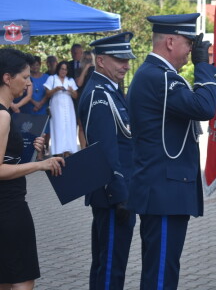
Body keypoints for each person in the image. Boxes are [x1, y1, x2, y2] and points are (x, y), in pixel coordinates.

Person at [126, 13, 216, 290]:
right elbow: (204, 108)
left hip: (163, 188)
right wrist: (203, 67)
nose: (192, 50)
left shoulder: (156, 75)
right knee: (161, 274)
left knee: (163, 269)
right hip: (163, 191)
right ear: (170, 41)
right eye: (189, 43)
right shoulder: (160, 77)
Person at [0, 48, 64, 290]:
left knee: (6, 279)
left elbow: (9, 158)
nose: (29, 84)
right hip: (9, 208)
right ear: (7, 78)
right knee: (23, 281)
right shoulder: (3, 116)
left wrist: (32, 151)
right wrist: (41, 164)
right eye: (25, 78)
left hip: (6, 207)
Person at [78, 32, 137, 290]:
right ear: (100, 60)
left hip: (119, 193)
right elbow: (104, 150)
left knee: (109, 263)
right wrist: (120, 195)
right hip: (114, 196)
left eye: (127, 59)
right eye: (119, 59)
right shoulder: (99, 94)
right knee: (111, 267)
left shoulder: (110, 90)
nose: (126, 65)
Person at [44, 61, 78, 157]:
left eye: (65, 69)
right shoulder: (52, 78)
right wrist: (56, 89)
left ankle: (67, 152)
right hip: (57, 107)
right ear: (58, 69)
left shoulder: (70, 80)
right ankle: (58, 152)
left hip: (68, 106)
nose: (63, 71)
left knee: (68, 128)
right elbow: (47, 94)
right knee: (58, 128)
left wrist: (71, 90)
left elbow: (76, 96)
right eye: (62, 69)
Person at [29, 56, 51, 160]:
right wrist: (35, 103)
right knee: (33, 131)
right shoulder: (27, 77)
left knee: (43, 132)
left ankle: (42, 152)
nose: (34, 67)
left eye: (37, 65)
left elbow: (48, 93)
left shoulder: (46, 77)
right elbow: (25, 93)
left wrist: (40, 104)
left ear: (40, 65)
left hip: (42, 107)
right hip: (30, 107)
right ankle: (34, 154)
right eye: (32, 65)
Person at [75, 50, 95, 149]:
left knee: (92, 124)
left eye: (90, 59)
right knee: (81, 126)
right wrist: (85, 69)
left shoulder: (96, 70)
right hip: (81, 100)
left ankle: (92, 146)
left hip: (92, 99)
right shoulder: (78, 70)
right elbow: (79, 83)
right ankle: (83, 148)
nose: (88, 61)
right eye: (86, 59)